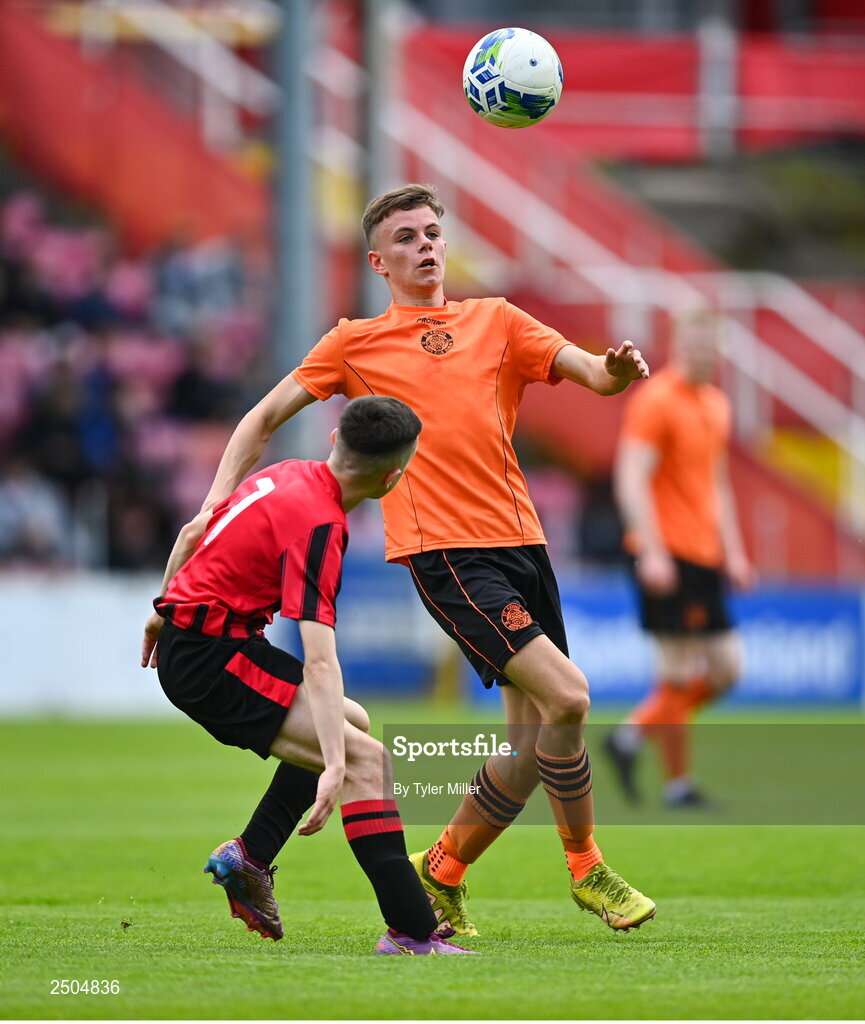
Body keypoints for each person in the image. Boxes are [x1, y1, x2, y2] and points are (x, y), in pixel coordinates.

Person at [166, 182, 656, 940]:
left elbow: (591, 373)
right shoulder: (353, 343)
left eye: (432, 232)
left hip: (521, 543)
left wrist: (615, 371)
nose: (425, 245)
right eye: (406, 238)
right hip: (447, 553)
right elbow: (261, 417)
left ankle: (444, 870)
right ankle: (586, 867)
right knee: (569, 699)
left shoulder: (496, 320)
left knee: (529, 750)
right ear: (379, 262)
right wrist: (212, 506)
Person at [140, 395, 476, 955]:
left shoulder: (288, 474)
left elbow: (191, 535)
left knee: (355, 721)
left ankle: (249, 855)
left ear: (333, 443)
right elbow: (320, 661)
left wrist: (163, 608)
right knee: (366, 758)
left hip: (206, 641)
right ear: (394, 478)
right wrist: (337, 764)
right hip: (211, 661)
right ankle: (412, 933)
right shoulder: (322, 525)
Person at [606, 309, 755, 806]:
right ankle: (678, 785)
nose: (700, 353)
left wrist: (732, 550)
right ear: (675, 346)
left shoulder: (715, 404)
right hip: (668, 553)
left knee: (724, 669)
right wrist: (650, 550)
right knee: (677, 671)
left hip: (706, 555)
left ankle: (629, 735)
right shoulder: (657, 400)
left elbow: (716, 484)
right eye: (691, 345)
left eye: (707, 346)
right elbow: (631, 478)